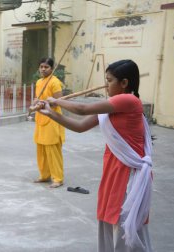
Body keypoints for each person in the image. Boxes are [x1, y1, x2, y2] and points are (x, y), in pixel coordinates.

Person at [37, 59, 153, 251]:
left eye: (110, 81)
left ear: (124, 83)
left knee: (126, 223)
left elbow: (82, 109)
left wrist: (56, 100)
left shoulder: (129, 100)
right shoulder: (111, 107)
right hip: (113, 169)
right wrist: (50, 113)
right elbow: (80, 126)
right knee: (108, 216)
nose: (106, 85)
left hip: (128, 173)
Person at [32, 58, 65, 188]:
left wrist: (45, 102)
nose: (43, 69)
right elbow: (39, 98)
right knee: (41, 148)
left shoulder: (55, 82)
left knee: (52, 149)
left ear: (52, 69)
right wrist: (37, 101)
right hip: (41, 118)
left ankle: (58, 178)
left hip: (52, 118)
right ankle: (44, 175)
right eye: (41, 67)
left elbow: (59, 100)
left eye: (46, 67)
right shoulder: (39, 81)